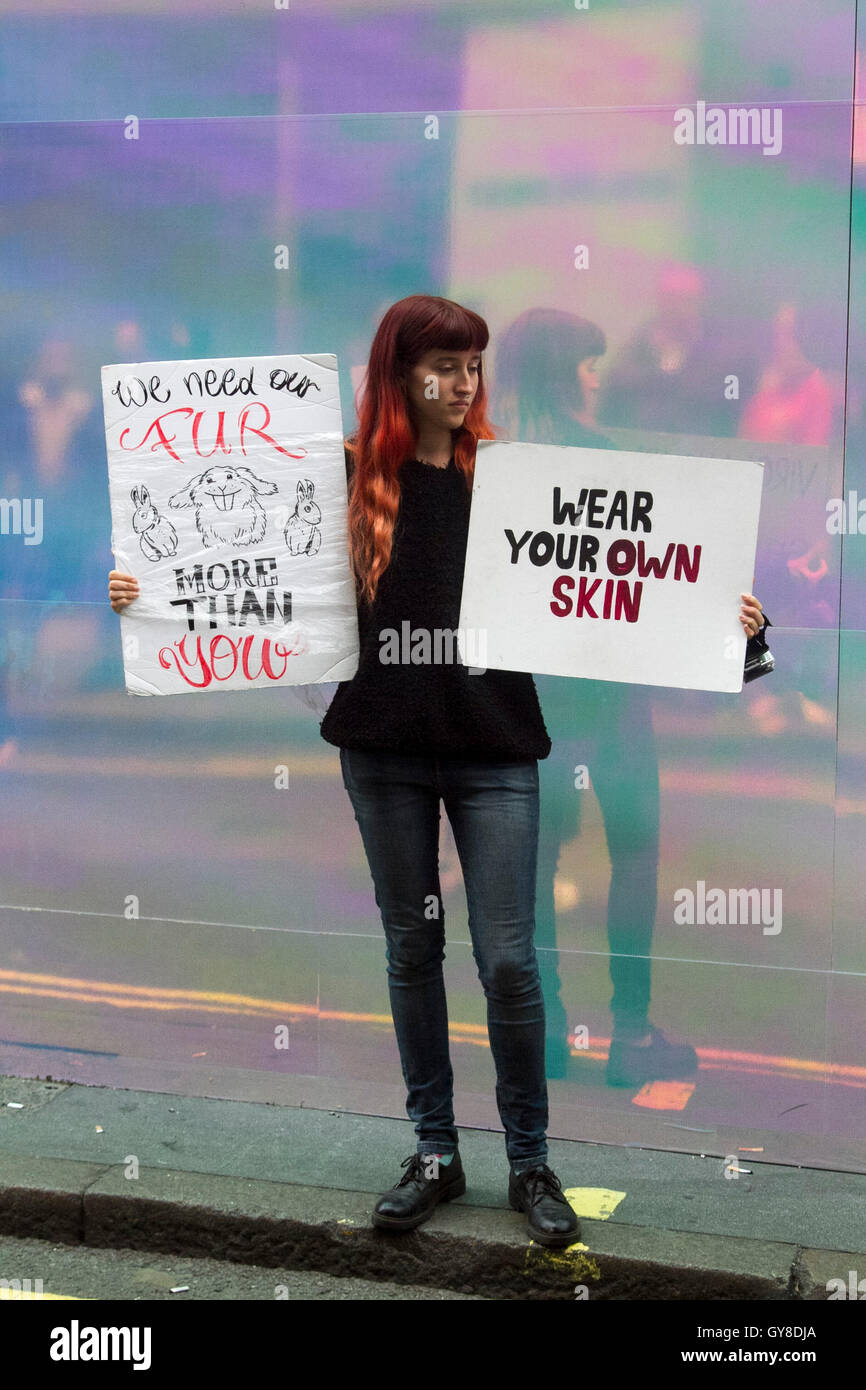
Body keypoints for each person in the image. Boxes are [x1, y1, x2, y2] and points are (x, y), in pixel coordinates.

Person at [108, 293, 767, 1248]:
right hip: (384, 757)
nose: (464, 386)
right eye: (445, 368)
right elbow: (239, 571)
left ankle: (530, 1162)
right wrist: (147, 592)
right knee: (413, 950)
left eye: (474, 368)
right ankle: (434, 1151)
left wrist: (730, 622)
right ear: (399, 374)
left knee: (509, 960)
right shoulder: (341, 478)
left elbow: (629, 579)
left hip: (495, 749)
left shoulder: (511, 480)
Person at [492, 307, 768, 1087]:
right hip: (610, 703)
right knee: (635, 855)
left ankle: (541, 1035)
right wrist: (747, 640)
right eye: (586, 361)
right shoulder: (603, 460)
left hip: (530, 706)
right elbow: (660, 578)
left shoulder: (497, 463)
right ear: (558, 370)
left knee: (535, 867)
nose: (596, 373)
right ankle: (630, 1034)